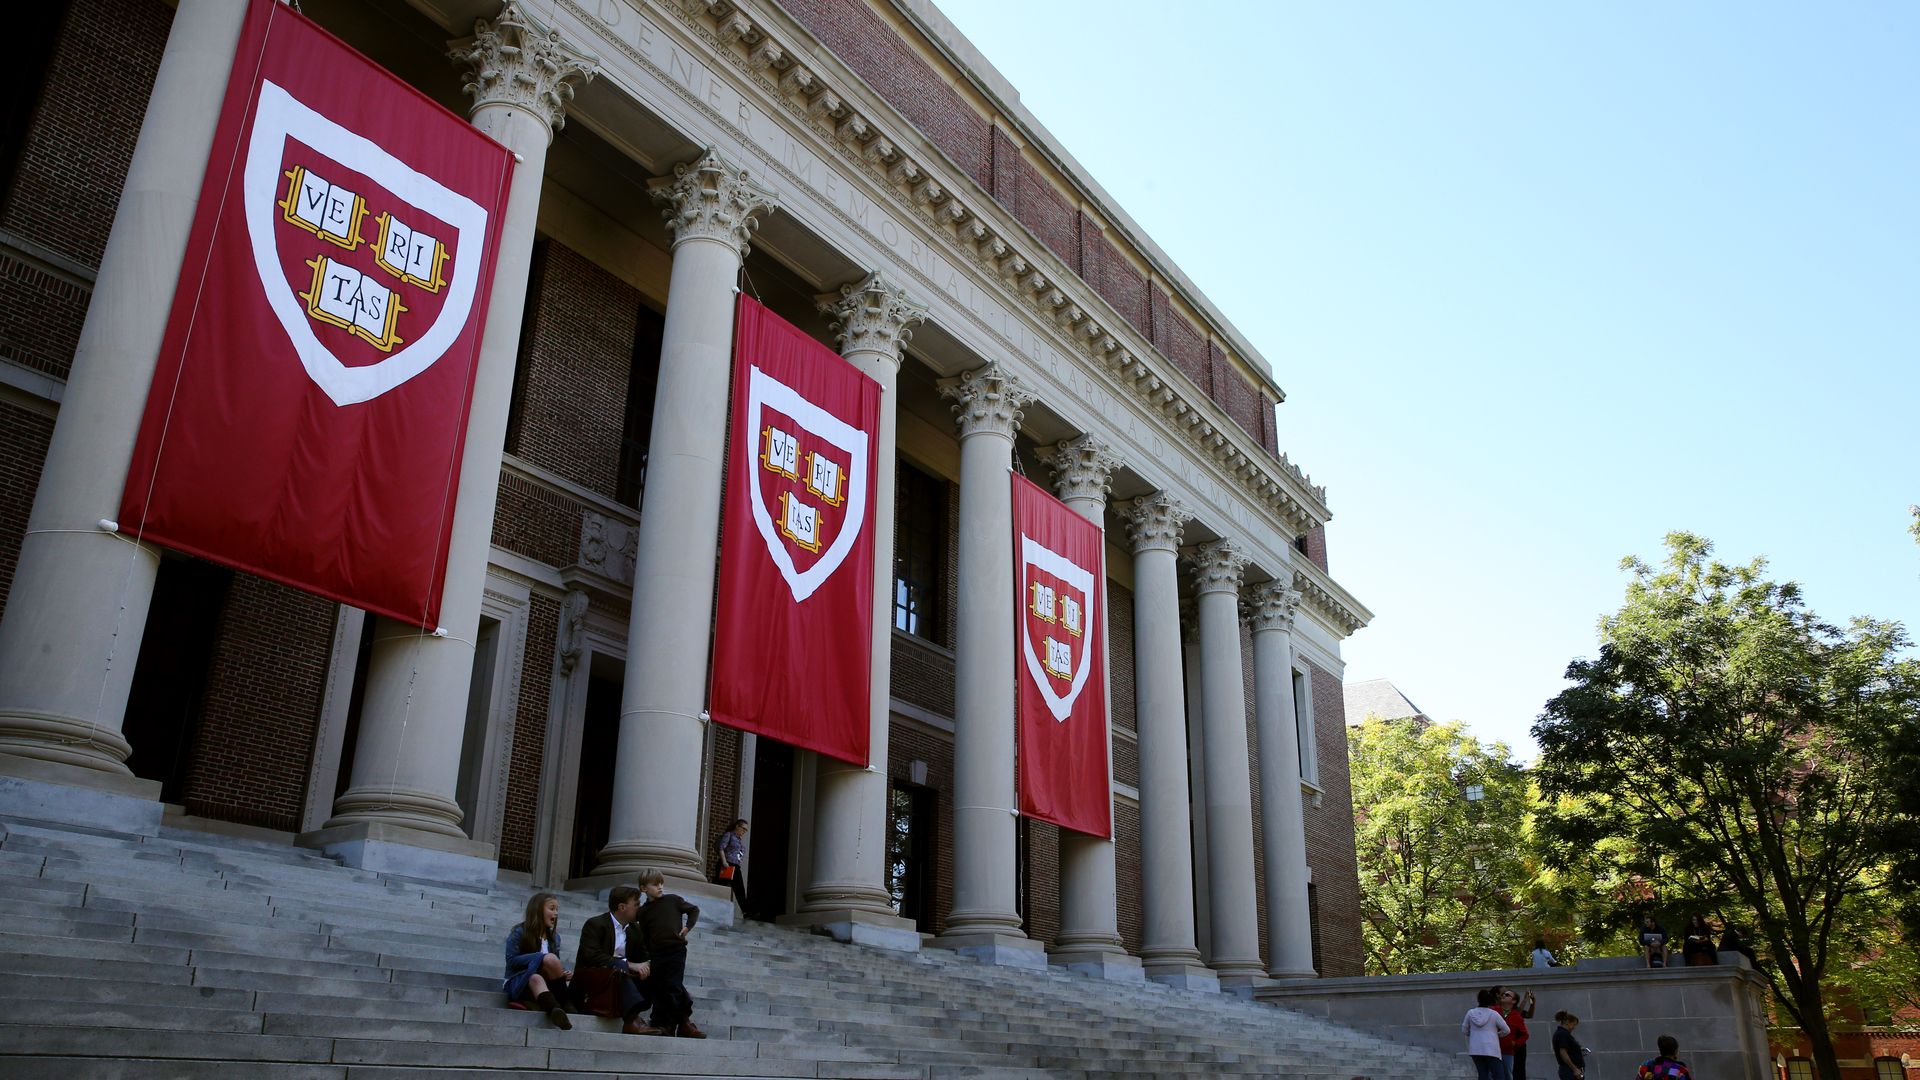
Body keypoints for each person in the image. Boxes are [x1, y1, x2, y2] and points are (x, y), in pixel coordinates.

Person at [574, 885, 665, 1036]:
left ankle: (679, 1020)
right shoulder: (596, 924)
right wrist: (627, 964)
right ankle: (631, 1020)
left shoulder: (635, 929)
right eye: (636, 905)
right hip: (594, 978)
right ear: (622, 907)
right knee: (620, 968)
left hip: (621, 979)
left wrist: (648, 965)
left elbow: (644, 956)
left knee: (664, 972)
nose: (639, 908)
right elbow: (592, 956)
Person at [635, 869, 705, 1039]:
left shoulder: (672, 900)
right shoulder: (643, 912)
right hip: (657, 954)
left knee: (672, 986)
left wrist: (687, 927)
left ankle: (669, 1025)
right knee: (662, 987)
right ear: (644, 888)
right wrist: (648, 955)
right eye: (655, 884)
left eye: (661, 883)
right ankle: (680, 1022)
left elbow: (694, 910)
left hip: (676, 950)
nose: (660, 887)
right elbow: (645, 934)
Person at [502, 892, 573, 1030]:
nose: (556, 913)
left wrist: (563, 973)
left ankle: (555, 1009)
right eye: (552, 909)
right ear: (538, 909)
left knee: (568, 978)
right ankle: (561, 1007)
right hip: (520, 981)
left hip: (547, 984)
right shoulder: (519, 932)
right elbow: (511, 961)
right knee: (537, 976)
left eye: (557, 909)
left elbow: (553, 966)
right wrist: (540, 957)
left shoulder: (555, 938)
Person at [1461, 987, 1511, 1080]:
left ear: (1478, 999)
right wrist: (1497, 1035)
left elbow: (1464, 1030)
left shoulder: (1470, 1013)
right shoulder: (1494, 1014)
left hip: (1475, 1048)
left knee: (1482, 1074)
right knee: (1498, 1075)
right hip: (1491, 1049)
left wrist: (1473, 1035)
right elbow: (1506, 1030)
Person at [1496, 985, 1536, 1080]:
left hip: (1515, 1046)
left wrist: (1531, 1002)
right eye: (1503, 993)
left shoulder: (1515, 1013)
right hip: (1498, 1047)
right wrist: (1525, 999)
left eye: (1507, 994)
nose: (1504, 995)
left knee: (1517, 1071)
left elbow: (1525, 1015)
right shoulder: (1495, 1009)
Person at [716, 819, 749, 914]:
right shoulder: (729, 835)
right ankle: (718, 910)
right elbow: (721, 848)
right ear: (737, 826)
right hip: (726, 865)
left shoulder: (739, 840)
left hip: (735, 866)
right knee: (722, 887)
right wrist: (724, 862)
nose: (744, 831)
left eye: (746, 830)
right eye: (743, 828)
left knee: (740, 889)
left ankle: (746, 912)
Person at [1552, 1011, 1585, 1080]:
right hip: (1569, 1071)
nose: (1574, 1027)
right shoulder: (1563, 1034)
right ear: (1567, 1022)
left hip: (1571, 1070)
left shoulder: (1563, 1034)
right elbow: (1563, 1052)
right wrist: (1575, 1069)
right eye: (1573, 1024)